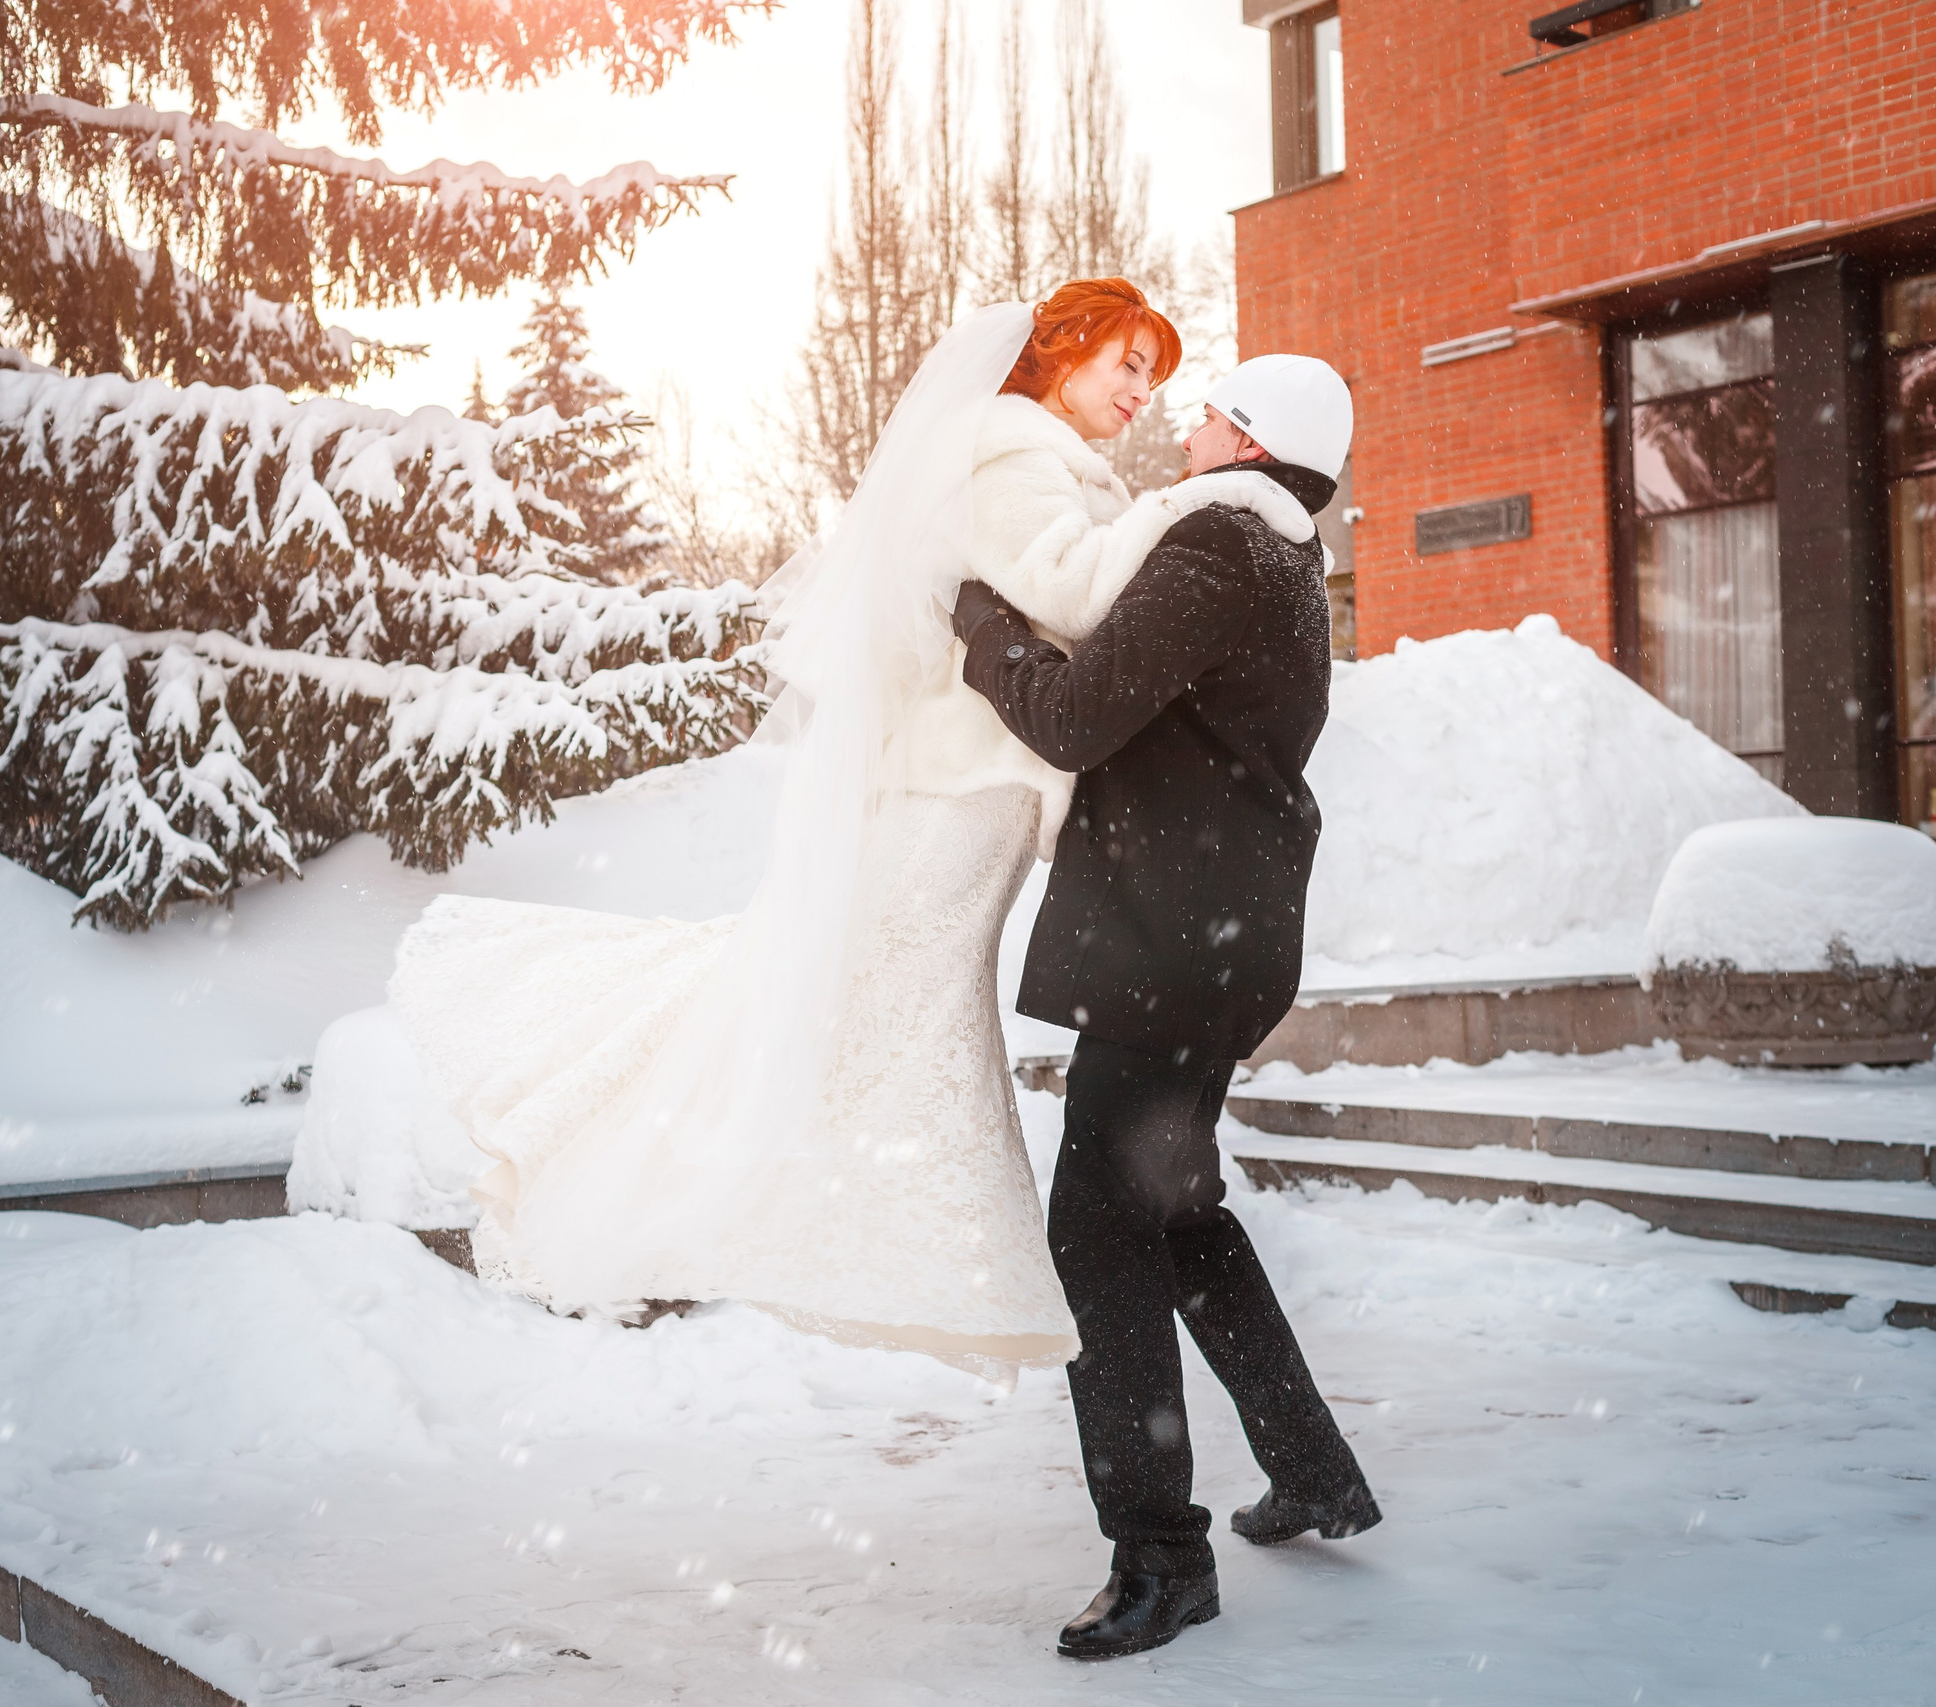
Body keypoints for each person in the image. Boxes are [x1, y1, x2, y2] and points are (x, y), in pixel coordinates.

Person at [295, 281, 1315, 1381]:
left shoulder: (1046, 464)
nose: (1141, 394)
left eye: (1156, 378)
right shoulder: (1016, 456)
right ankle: (762, 1198)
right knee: (866, 1007)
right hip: (958, 790)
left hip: (974, 791)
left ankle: (864, 1223)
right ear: (1058, 356)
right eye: (1126, 363)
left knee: (875, 1009)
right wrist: (1190, 507)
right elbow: (1072, 599)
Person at [952, 354, 1383, 1660]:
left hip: (1168, 944)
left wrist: (982, 623)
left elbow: (1076, 716)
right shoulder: (1288, 560)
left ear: (1246, 444)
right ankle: (1312, 1467)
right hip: (1219, 939)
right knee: (1177, 1216)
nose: (1185, 426)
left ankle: (1159, 1558)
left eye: (1207, 413)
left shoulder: (1217, 544)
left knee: (1096, 1242)